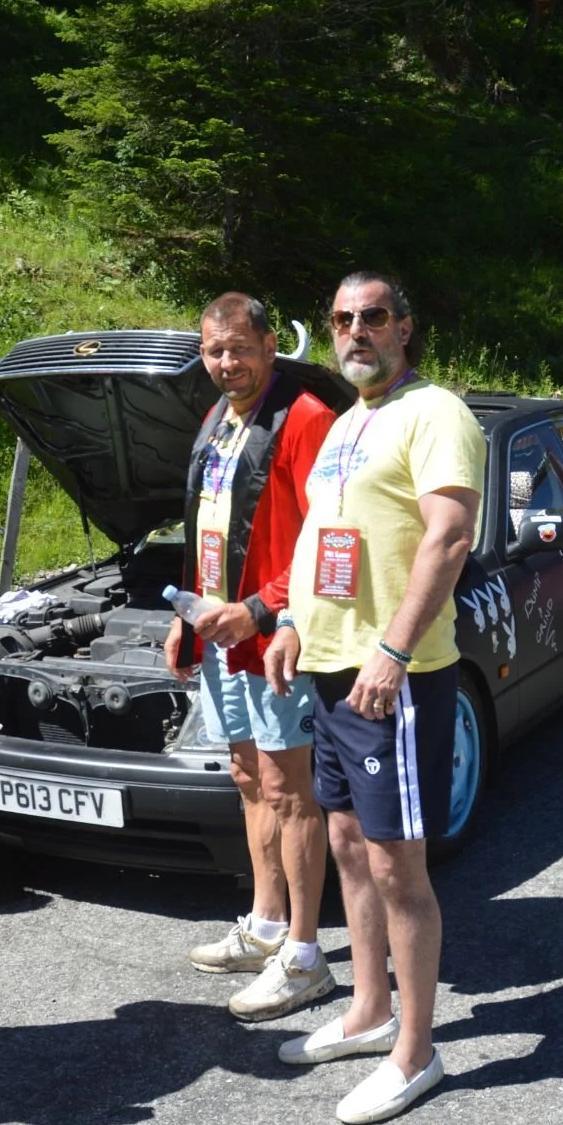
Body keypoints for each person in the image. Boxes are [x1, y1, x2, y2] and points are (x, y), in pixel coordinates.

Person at [264, 271, 484, 1125]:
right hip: (332, 667)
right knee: (349, 844)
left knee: (398, 864)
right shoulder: (351, 423)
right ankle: (367, 1010)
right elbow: (329, 539)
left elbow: (450, 534)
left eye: (374, 317)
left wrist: (392, 649)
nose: (356, 331)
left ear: (405, 328)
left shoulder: (436, 413)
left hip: (394, 674)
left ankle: (416, 1051)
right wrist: (289, 621)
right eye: (342, 320)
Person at [164, 292, 338, 1021]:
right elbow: (207, 524)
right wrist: (191, 618)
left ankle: (305, 953)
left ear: (272, 346)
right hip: (221, 629)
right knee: (246, 773)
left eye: (239, 348)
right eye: (214, 351)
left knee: (288, 783)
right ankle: (267, 922)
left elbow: (325, 534)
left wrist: (263, 609)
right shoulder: (217, 418)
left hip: (276, 634)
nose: (227, 363)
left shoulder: (306, 418)